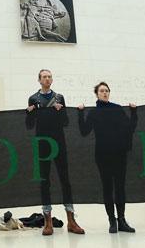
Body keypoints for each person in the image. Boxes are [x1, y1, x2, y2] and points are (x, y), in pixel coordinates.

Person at [25, 69, 83, 235]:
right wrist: (29, 112)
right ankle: (47, 221)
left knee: (65, 179)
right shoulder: (33, 98)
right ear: (39, 80)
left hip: (59, 142)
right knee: (45, 181)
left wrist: (61, 110)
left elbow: (65, 122)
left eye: (50, 76)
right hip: (42, 143)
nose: (47, 79)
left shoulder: (59, 97)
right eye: (44, 77)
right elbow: (29, 125)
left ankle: (71, 220)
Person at [76, 82, 137, 233]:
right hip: (102, 155)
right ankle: (112, 221)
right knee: (107, 188)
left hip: (119, 154)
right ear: (96, 94)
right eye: (102, 91)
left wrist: (134, 112)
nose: (105, 93)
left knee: (120, 187)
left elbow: (130, 128)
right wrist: (80, 113)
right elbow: (84, 131)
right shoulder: (94, 112)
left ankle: (121, 220)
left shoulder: (117, 109)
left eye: (107, 91)